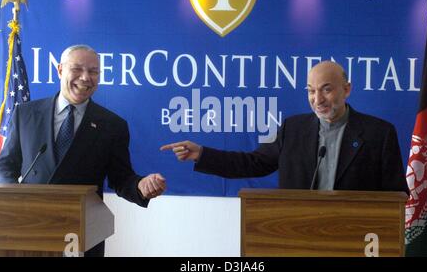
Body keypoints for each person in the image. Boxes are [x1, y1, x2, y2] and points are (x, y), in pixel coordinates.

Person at [0, 44, 167, 256]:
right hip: (28, 230)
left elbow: (121, 178)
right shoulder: (25, 114)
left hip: (82, 235)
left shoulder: (112, 125)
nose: (86, 77)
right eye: (77, 69)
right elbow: (5, 166)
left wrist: (141, 186)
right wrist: (16, 204)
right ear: (60, 70)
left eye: (93, 71)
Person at [161, 61, 409, 194]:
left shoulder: (379, 133)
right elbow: (253, 163)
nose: (317, 99)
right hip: (297, 235)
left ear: (346, 89)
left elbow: (396, 196)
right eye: (311, 91)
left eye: (326, 89)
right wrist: (202, 154)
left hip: (356, 239)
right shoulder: (293, 128)